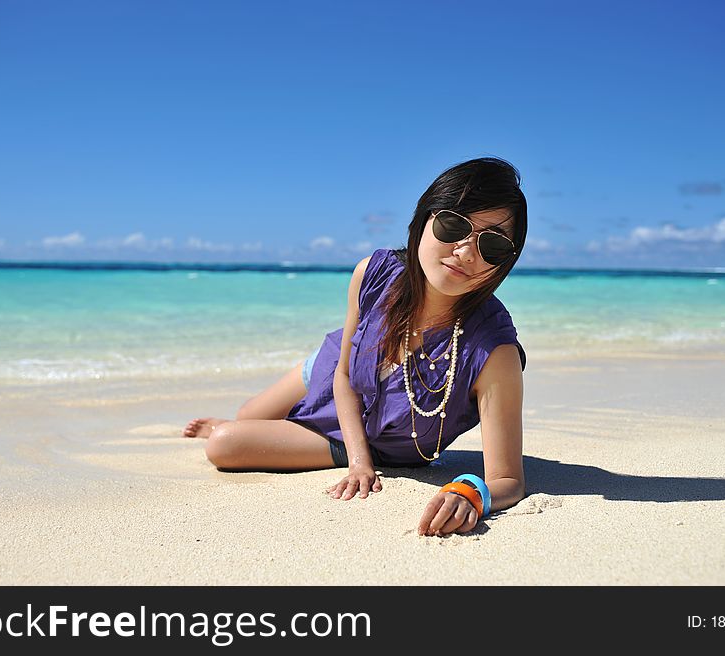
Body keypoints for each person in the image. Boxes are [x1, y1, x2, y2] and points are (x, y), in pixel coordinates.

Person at [184, 156, 528, 537]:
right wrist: (358, 464)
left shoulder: (494, 352)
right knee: (246, 415)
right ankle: (272, 412)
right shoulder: (374, 273)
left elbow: (508, 478)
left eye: (492, 244)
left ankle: (261, 426)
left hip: (382, 432)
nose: (465, 253)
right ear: (423, 221)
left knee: (225, 443)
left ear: (504, 262)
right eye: (453, 224)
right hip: (337, 368)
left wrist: (469, 493)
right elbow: (345, 372)